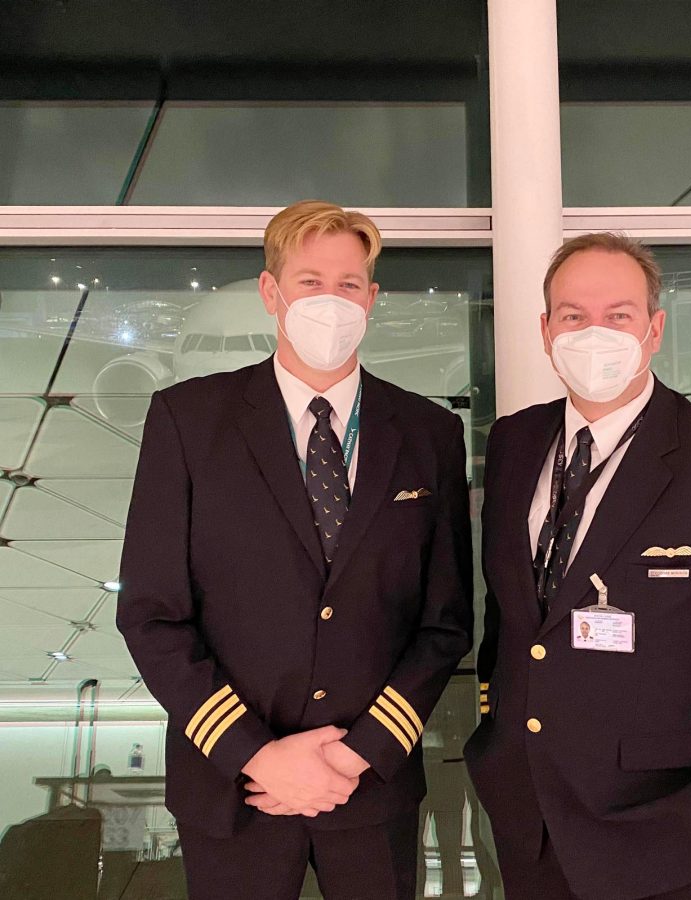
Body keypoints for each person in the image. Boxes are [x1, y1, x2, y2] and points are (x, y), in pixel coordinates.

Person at [118, 200, 473, 900]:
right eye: (310, 282)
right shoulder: (189, 422)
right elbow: (153, 616)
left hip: (370, 791)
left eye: (348, 285)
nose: (330, 302)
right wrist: (256, 756)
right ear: (271, 292)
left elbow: (443, 624)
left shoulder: (429, 432)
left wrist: (354, 756)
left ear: (372, 299)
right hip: (233, 790)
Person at [464, 233, 691, 900]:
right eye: (573, 316)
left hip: (671, 838)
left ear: (653, 330)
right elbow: (509, 624)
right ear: (545, 331)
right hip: (528, 826)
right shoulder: (514, 443)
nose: (594, 333)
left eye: (618, 315)